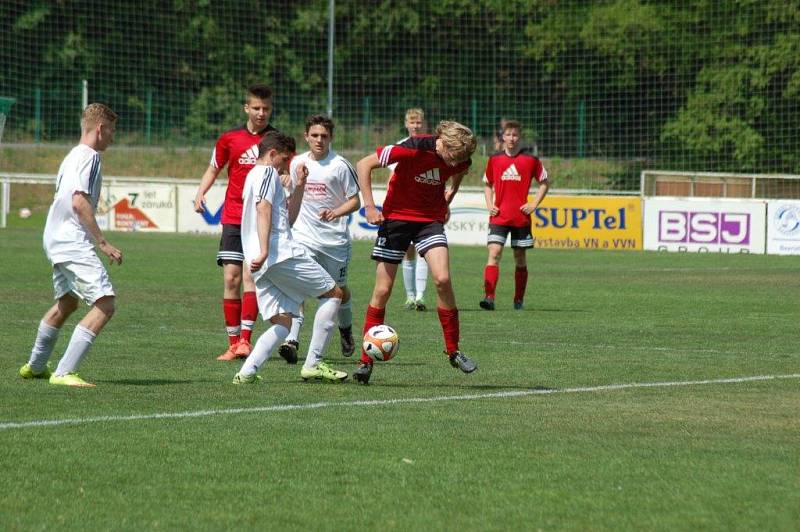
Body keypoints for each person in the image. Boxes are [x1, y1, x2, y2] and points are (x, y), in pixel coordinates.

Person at [353, 120, 479, 385]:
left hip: (429, 222)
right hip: (396, 220)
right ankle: (366, 362)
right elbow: (364, 164)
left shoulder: (460, 159)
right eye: (453, 156)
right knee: (383, 290)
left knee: (443, 280)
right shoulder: (411, 148)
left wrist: (447, 200)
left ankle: (453, 351)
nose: (456, 163)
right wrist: (369, 207)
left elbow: (457, 175)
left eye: (461, 159)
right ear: (443, 143)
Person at [233, 130, 349, 384]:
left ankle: (246, 373)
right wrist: (265, 250)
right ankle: (314, 363)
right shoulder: (265, 173)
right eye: (284, 160)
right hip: (279, 255)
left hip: (262, 263)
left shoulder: (255, 176)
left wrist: (300, 185)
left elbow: (288, 219)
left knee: (283, 322)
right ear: (272, 155)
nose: (287, 165)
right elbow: (263, 207)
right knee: (334, 294)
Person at [19, 103, 122, 387]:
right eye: (112, 130)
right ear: (100, 129)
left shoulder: (71, 156)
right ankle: (64, 372)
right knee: (105, 303)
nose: (113, 137)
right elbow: (79, 202)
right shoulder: (89, 157)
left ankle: (36, 365)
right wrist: (102, 242)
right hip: (71, 239)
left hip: (54, 238)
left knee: (67, 302)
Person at [194, 84, 277, 361]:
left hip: (259, 219)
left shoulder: (275, 140)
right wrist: (200, 191)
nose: (261, 113)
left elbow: (286, 170)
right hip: (232, 217)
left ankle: (245, 341)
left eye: (266, 108)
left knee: (251, 277)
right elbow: (214, 167)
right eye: (256, 108)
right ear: (246, 108)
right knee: (231, 278)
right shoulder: (230, 138)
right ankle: (232, 344)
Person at [276, 115, 361, 363]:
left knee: (338, 291)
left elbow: (356, 201)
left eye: (324, 136)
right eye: (314, 135)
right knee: (298, 287)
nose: (319, 140)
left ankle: (345, 330)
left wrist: (335, 212)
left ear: (331, 138)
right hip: (303, 237)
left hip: (334, 242)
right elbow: (292, 191)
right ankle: (291, 341)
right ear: (306, 137)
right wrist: (287, 182)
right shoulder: (298, 162)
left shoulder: (341, 166)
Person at [480, 120, 550, 311]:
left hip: (520, 218)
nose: (512, 138)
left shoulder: (530, 160)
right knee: (494, 253)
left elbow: (545, 182)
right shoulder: (495, 160)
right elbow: (487, 183)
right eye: (508, 134)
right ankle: (489, 298)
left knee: (519, 258)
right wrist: (489, 204)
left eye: (515, 135)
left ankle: (518, 299)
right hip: (499, 217)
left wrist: (534, 203)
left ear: (519, 137)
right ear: (503, 136)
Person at [391, 108, 430, 311]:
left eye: (419, 122)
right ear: (406, 124)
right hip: (405, 207)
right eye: (412, 122)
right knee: (409, 252)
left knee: (425, 252)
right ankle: (410, 296)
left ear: (423, 124)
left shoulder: (432, 146)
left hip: (426, 207)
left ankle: (421, 296)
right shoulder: (399, 147)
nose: (416, 125)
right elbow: (393, 177)